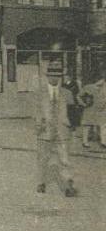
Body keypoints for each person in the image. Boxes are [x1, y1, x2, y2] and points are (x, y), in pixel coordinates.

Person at [37, 65, 76, 197]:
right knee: (43, 159)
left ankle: (67, 186)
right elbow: (34, 111)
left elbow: (73, 111)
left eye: (57, 76)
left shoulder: (67, 93)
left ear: (60, 78)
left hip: (62, 131)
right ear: (47, 76)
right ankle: (41, 182)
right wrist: (38, 125)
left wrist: (70, 125)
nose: (54, 78)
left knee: (64, 159)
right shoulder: (39, 93)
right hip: (45, 131)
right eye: (52, 75)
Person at [62, 73, 86, 147]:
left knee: (73, 121)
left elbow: (79, 93)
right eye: (64, 77)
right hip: (65, 104)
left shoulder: (75, 84)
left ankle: (73, 137)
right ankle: (67, 136)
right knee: (66, 120)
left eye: (66, 77)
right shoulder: (62, 85)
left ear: (69, 77)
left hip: (73, 104)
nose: (65, 79)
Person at [81, 75, 105, 149]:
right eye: (101, 80)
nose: (102, 81)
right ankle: (85, 142)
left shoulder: (104, 87)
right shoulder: (88, 87)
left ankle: (103, 142)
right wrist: (83, 104)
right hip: (90, 109)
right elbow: (79, 96)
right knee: (87, 125)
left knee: (103, 125)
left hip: (102, 110)